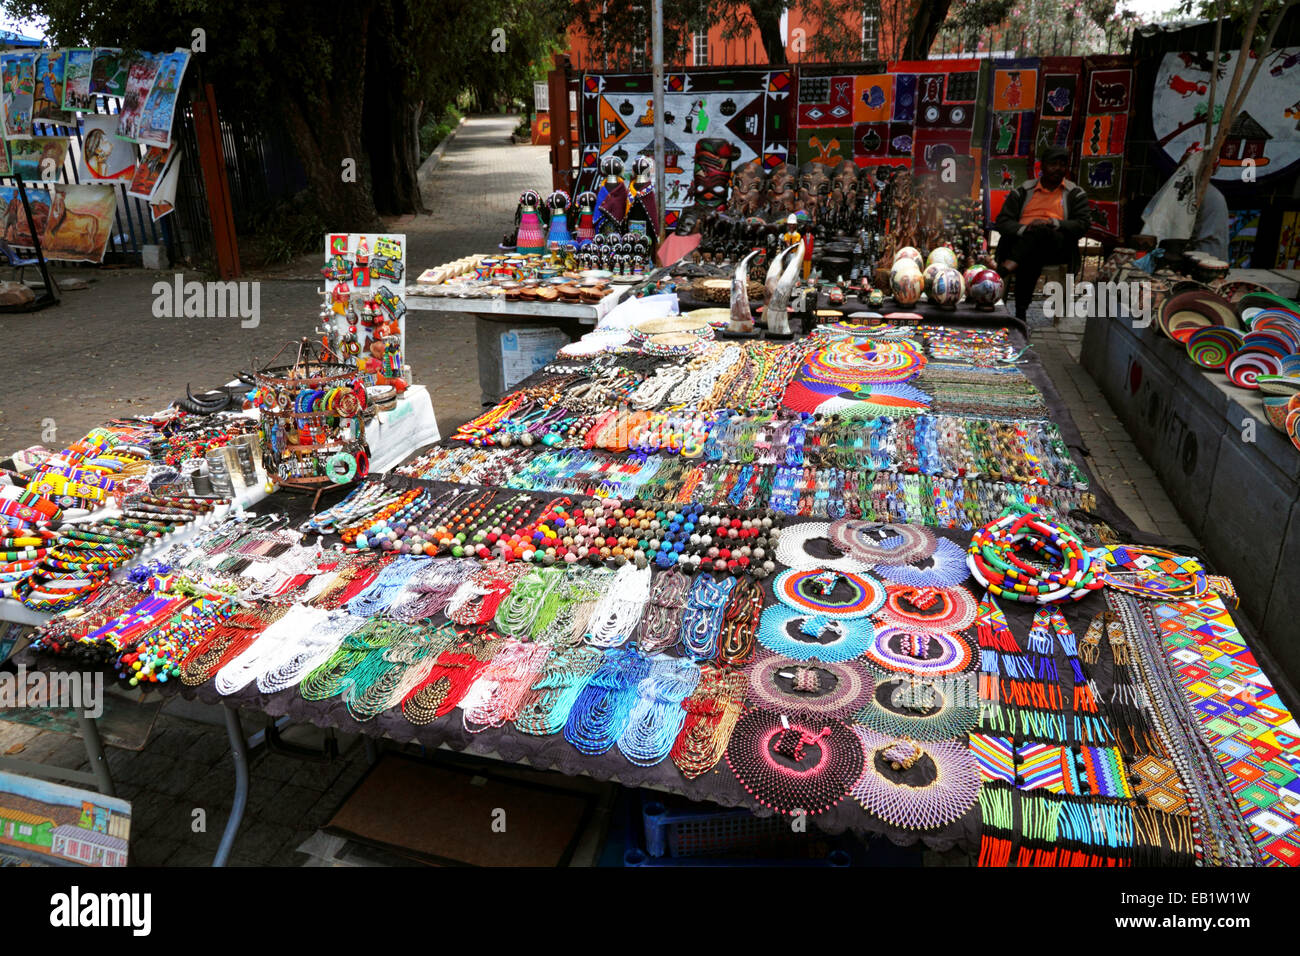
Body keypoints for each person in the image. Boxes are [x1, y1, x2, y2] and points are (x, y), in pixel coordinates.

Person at [994, 146, 1091, 320]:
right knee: (1032, 249)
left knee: (1041, 233)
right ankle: (1021, 312)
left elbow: (1082, 224)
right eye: (1053, 164)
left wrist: (1052, 223)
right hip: (1025, 243)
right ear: (1042, 166)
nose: (1058, 168)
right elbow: (1003, 221)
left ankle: (1005, 270)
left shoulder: (1074, 193)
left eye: (1062, 165)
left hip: (1056, 247)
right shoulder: (1024, 191)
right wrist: (1026, 228)